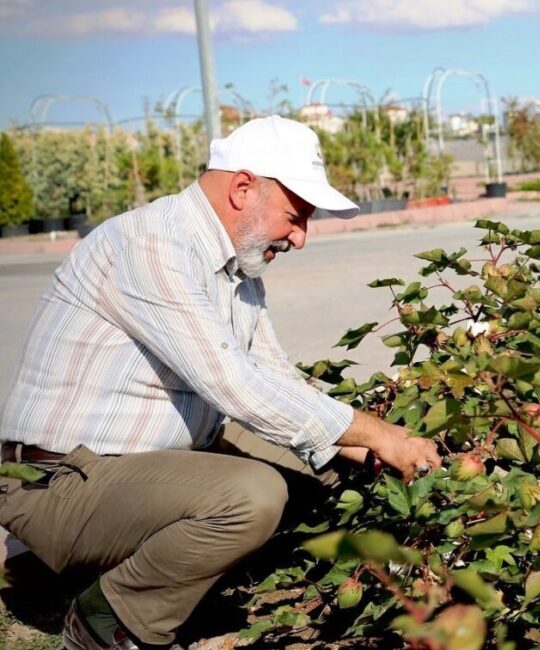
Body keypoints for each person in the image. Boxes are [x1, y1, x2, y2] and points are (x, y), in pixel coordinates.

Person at [0, 115, 441, 650]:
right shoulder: (151, 245)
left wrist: (352, 447)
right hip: (61, 480)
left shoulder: (236, 272)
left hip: (145, 464)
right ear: (241, 188)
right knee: (251, 496)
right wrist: (380, 435)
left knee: (318, 473)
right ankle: (108, 621)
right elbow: (236, 386)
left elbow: (273, 375)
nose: (300, 237)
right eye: (295, 215)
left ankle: (192, 579)